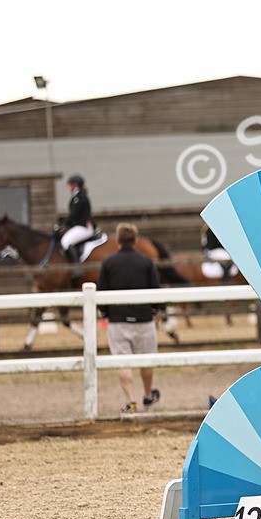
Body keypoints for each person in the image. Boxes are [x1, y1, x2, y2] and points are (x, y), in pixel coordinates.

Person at [98, 222, 161, 412]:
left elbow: (101, 291)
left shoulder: (108, 263)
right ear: (135, 241)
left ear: (117, 241)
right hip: (143, 319)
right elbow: (156, 289)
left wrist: (106, 313)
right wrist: (155, 310)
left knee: (122, 360)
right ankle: (148, 395)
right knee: (146, 360)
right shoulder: (146, 261)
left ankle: (131, 400)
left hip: (118, 320)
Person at [59, 174, 96, 264]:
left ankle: (77, 268)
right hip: (79, 226)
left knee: (65, 242)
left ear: (75, 185)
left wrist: (63, 226)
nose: (68, 187)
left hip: (84, 227)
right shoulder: (76, 197)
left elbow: (73, 215)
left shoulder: (80, 197)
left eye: (69, 185)